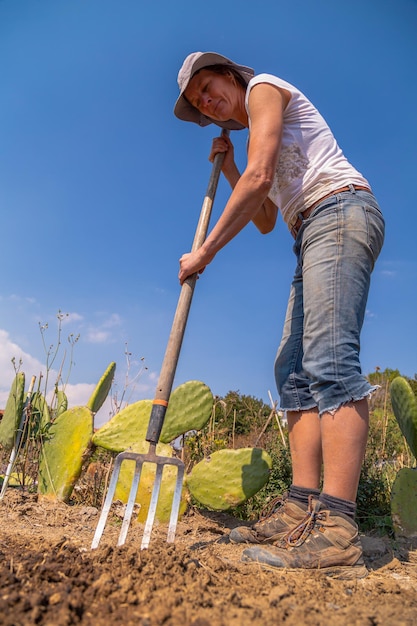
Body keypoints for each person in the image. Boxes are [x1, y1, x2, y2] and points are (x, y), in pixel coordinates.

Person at [174, 51, 385, 579]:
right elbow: (267, 217)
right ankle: (301, 506)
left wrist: (205, 253)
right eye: (199, 102)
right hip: (307, 231)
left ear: (231, 75)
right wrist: (228, 165)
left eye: (208, 86)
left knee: (330, 361)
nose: (207, 100)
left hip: (339, 209)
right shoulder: (246, 137)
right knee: (291, 372)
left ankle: (337, 530)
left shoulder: (265, 87)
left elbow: (261, 176)